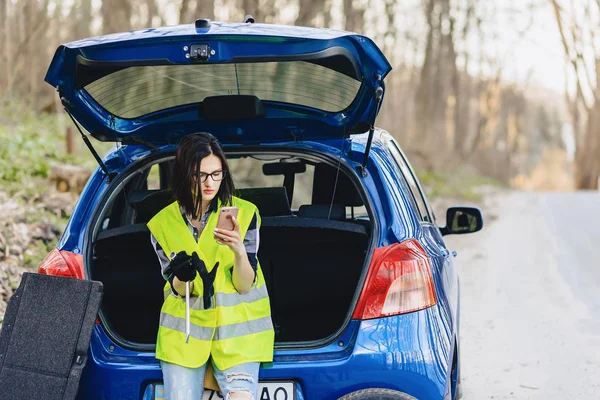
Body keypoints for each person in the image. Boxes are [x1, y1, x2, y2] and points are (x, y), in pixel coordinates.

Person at [147, 132, 274, 400]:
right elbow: (179, 290)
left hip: (237, 335)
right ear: (184, 174)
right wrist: (182, 276)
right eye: (200, 175)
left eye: (217, 174)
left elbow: (243, 285)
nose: (210, 183)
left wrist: (239, 251)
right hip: (185, 337)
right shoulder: (162, 224)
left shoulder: (246, 213)